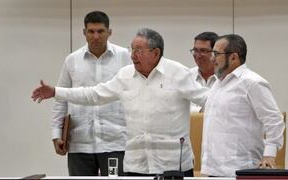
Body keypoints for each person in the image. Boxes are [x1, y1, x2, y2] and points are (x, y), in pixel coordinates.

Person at [32, 28, 208, 176]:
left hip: (172, 166)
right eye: (132, 49)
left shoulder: (178, 73)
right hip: (136, 166)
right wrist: (56, 91)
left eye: (138, 51)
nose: (132, 56)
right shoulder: (125, 75)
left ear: (156, 53)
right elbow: (94, 95)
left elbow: (209, 100)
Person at [52, 11, 131, 176]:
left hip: (115, 141)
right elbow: (61, 99)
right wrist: (56, 133)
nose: (96, 36)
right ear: (84, 33)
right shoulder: (72, 60)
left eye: (101, 31)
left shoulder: (125, 57)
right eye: (91, 31)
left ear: (109, 32)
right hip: (80, 142)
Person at [201, 34, 285, 177]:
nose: (211, 58)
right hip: (212, 169)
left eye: (216, 53)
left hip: (241, 169)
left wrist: (269, 155)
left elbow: (274, 120)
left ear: (233, 57)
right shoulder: (217, 83)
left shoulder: (252, 82)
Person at [189, 32, 218, 112]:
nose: (198, 55)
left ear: (215, 53)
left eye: (203, 51)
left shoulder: (225, 79)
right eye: (195, 50)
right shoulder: (186, 76)